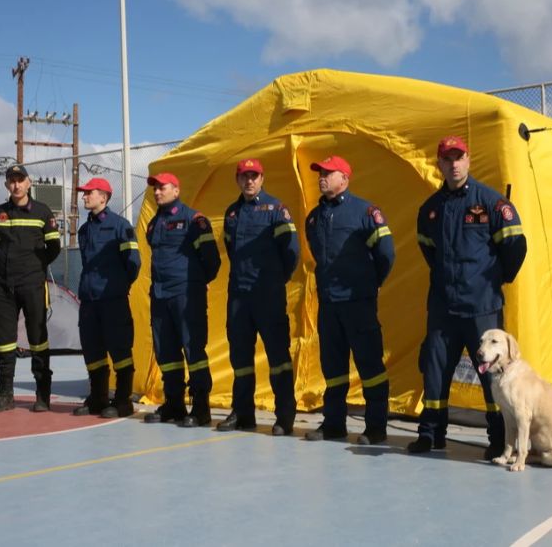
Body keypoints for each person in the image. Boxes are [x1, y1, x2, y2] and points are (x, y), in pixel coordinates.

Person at [408, 135, 527, 457]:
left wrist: (496, 279)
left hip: (482, 307)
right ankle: (431, 434)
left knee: (491, 375)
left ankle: (498, 439)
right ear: (439, 164)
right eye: (447, 159)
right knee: (435, 370)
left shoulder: (490, 202)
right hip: (444, 307)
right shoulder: (430, 209)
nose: (454, 164)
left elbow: (516, 245)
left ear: (468, 160)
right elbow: (428, 249)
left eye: (459, 157)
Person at [303, 155, 395, 445]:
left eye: (328, 173)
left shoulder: (365, 212)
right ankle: (333, 424)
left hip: (358, 302)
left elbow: (386, 254)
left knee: (370, 367)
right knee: (333, 369)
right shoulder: (314, 218)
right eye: (320, 173)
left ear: (344, 178)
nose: (322, 177)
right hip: (329, 304)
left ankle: (376, 428)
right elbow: (318, 254)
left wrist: (369, 284)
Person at [216, 159, 300, 435]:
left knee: (278, 358)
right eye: (244, 177)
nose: (249, 181)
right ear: (237, 180)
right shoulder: (231, 213)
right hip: (239, 296)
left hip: (268, 295)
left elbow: (292, 252)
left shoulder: (276, 210)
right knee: (240, 359)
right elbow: (231, 248)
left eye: (254, 176)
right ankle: (243, 414)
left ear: (262, 179)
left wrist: (276, 279)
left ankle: (285, 416)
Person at [143, 172, 221, 427]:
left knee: (193, 352)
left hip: (187, 297)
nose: (157, 192)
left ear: (176, 190)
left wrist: (195, 285)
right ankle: (174, 405)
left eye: (162, 187)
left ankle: (200, 409)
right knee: (166, 353)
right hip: (160, 297)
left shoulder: (193, 220)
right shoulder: (153, 224)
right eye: (154, 188)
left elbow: (212, 261)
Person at [0, 164, 61, 413]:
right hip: (4, 286)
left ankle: (42, 395)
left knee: (38, 339)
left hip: (32, 284)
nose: (16, 185)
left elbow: (53, 247)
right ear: (7, 185)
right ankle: (4, 395)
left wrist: (33, 267)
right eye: (11, 180)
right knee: (5, 342)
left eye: (20, 180)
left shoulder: (42, 212)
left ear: (29, 183)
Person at [72, 178, 141, 418]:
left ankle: (123, 401)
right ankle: (98, 399)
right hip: (89, 301)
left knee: (120, 351)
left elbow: (133, 263)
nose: (84, 197)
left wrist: (119, 286)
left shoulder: (121, 227)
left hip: (113, 300)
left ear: (104, 197)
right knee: (93, 352)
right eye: (84, 194)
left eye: (89, 193)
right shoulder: (84, 230)